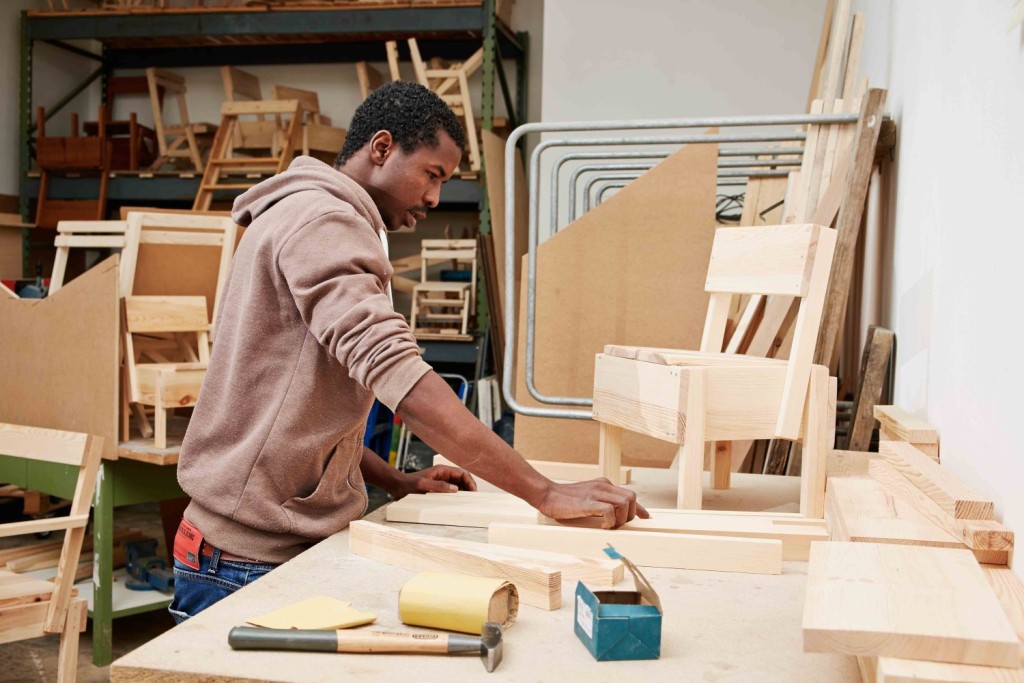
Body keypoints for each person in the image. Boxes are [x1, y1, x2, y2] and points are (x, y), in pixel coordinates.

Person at [169, 82, 647, 623]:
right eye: (431, 174)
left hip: (252, 549)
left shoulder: (309, 216)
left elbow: (295, 412)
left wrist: (394, 480)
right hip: (244, 561)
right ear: (382, 148)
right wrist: (545, 492)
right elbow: (398, 374)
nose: (434, 198)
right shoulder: (324, 223)